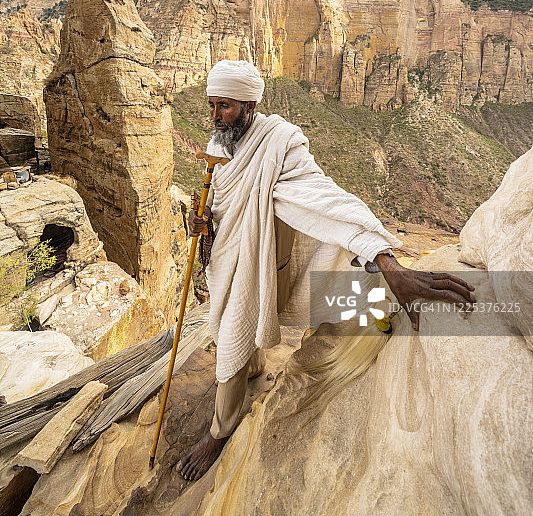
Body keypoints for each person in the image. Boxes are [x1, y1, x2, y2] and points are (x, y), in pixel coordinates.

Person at [177, 60, 475, 481]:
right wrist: (201, 222)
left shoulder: (279, 144)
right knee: (243, 326)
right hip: (229, 257)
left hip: (264, 261)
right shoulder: (222, 143)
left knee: (232, 334)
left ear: (249, 104)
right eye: (211, 105)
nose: (214, 116)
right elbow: (220, 204)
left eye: (224, 106)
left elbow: (327, 202)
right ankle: (255, 368)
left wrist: (386, 261)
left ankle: (219, 432)